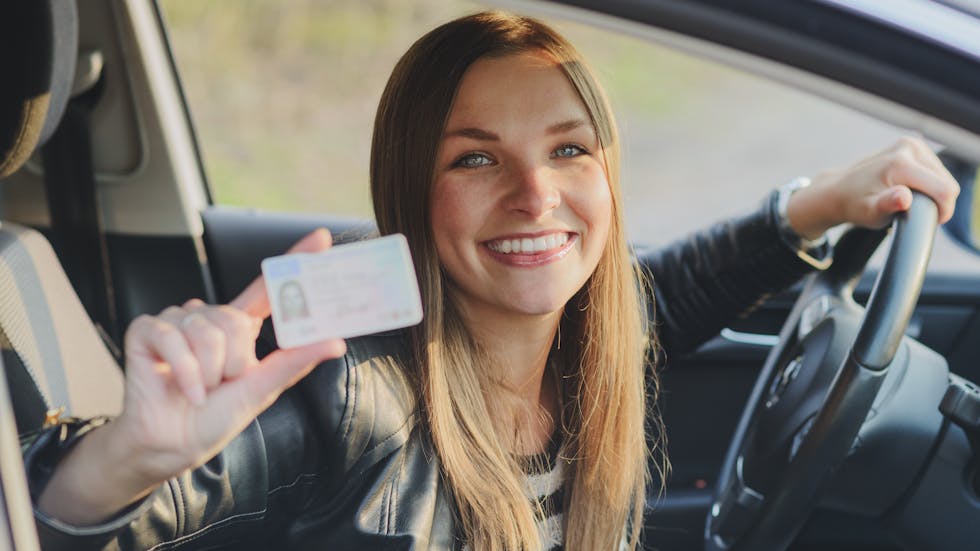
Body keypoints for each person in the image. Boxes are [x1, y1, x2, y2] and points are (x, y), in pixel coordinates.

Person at [25, 11, 959, 551]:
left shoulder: (590, 350)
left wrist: (823, 201)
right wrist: (129, 459)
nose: (534, 195)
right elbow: (90, 527)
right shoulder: (347, 390)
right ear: (412, 189)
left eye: (568, 149)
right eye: (476, 160)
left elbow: (666, 295)